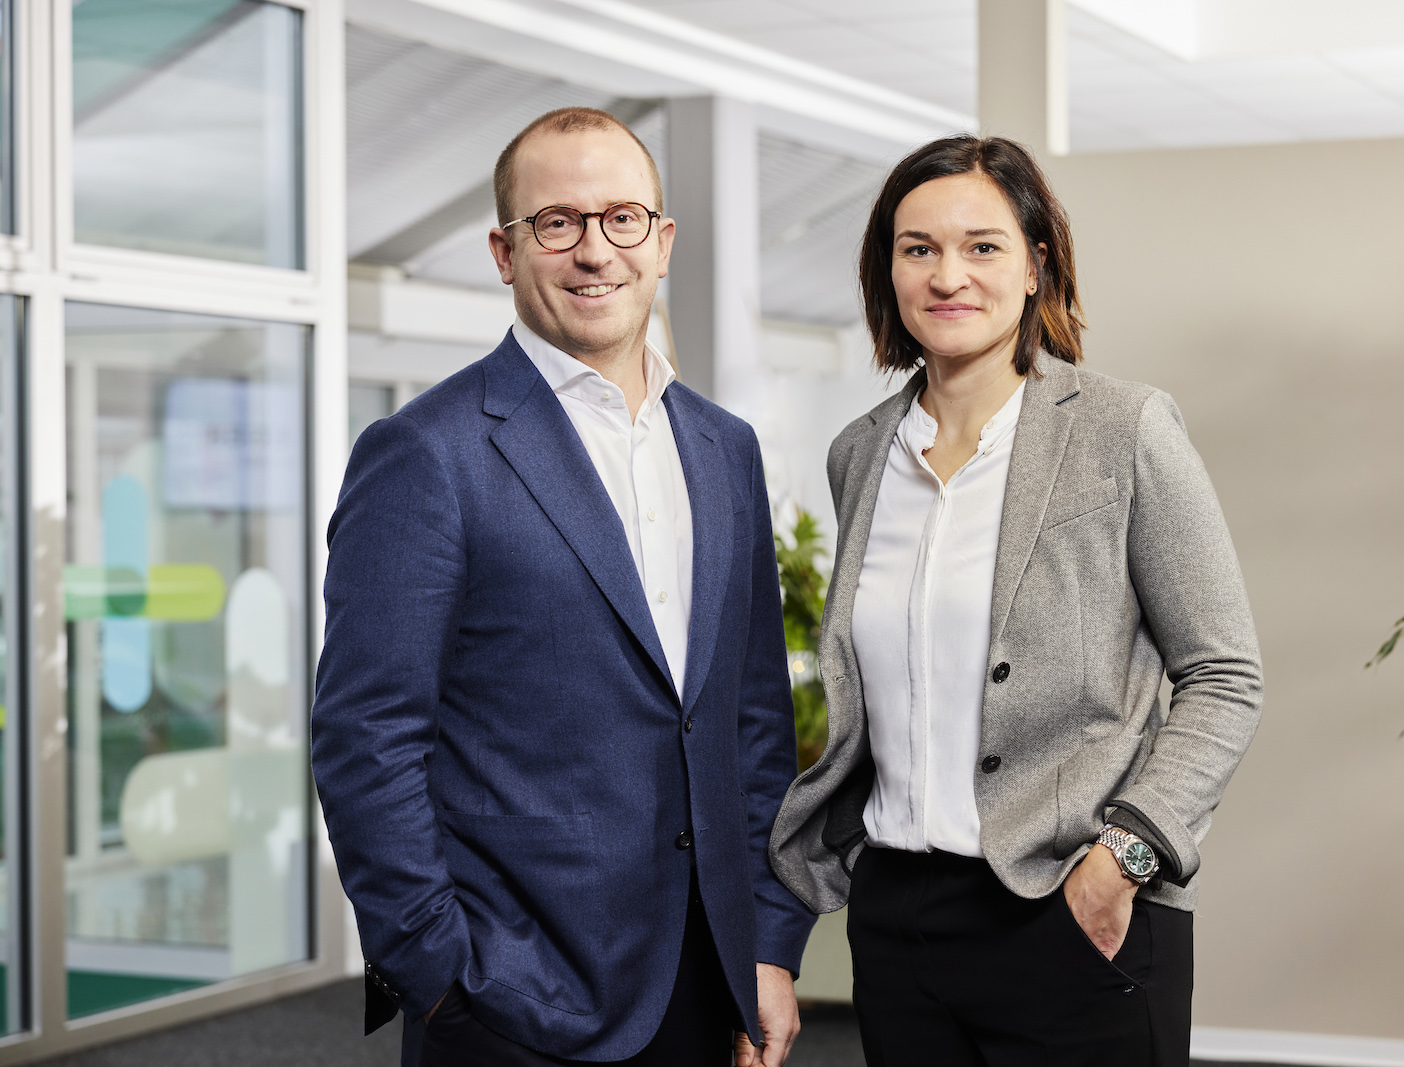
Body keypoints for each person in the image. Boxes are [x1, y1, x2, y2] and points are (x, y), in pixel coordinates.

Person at [311, 107, 813, 1067]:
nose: (594, 249)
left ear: (662, 242)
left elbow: (753, 723)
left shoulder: (725, 449)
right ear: (504, 253)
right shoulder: (426, 453)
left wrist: (769, 942)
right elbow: (365, 735)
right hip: (511, 999)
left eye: (622, 218)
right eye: (557, 222)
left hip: (710, 981)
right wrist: (442, 976)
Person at [768, 135, 1264, 1066]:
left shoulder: (1124, 429)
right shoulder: (860, 455)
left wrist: (1124, 859)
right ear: (887, 271)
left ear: (1036, 266)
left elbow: (1225, 674)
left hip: (1071, 903)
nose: (947, 274)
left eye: (982, 246)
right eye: (918, 248)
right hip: (898, 919)